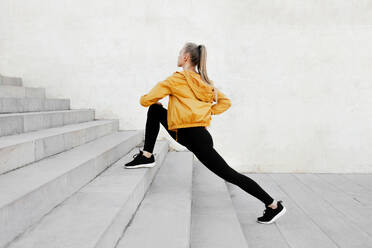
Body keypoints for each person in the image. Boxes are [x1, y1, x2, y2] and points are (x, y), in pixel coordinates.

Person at [124, 42, 286, 224]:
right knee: (155, 110)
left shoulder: (175, 80)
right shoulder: (205, 82)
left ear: (186, 57)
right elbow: (225, 103)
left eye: (179, 53)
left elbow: (145, 100)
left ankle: (273, 205)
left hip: (194, 139)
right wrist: (205, 112)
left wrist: (154, 101)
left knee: (230, 175)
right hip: (196, 134)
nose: (177, 56)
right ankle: (147, 155)